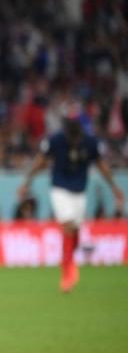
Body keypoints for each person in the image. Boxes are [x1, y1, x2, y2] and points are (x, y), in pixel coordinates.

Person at [18, 116, 124, 292]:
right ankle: (66, 273)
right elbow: (41, 161)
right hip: (59, 188)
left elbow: (101, 165)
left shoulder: (90, 143)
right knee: (67, 225)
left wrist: (114, 187)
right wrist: (27, 181)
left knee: (75, 230)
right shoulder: (56, 140)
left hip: (79, 192)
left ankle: (70, 261)